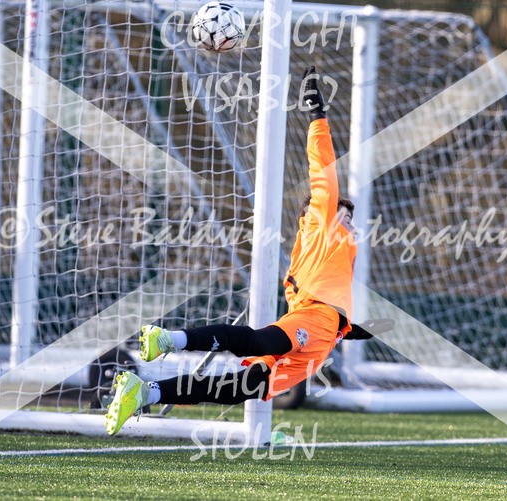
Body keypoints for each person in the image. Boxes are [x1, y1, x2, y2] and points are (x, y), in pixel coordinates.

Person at [105, 66, 374, 436]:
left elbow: (303, 289)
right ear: (317, 213)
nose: (349, 222)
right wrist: (318, 117)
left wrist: (347, 329)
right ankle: (169, 339)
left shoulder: (329, 254)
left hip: (319, 338)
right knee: (259, 340)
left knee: (241, 387)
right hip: (313, 322)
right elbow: (324, 173)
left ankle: (145, 392)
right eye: (344, 215)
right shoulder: (320, 222)